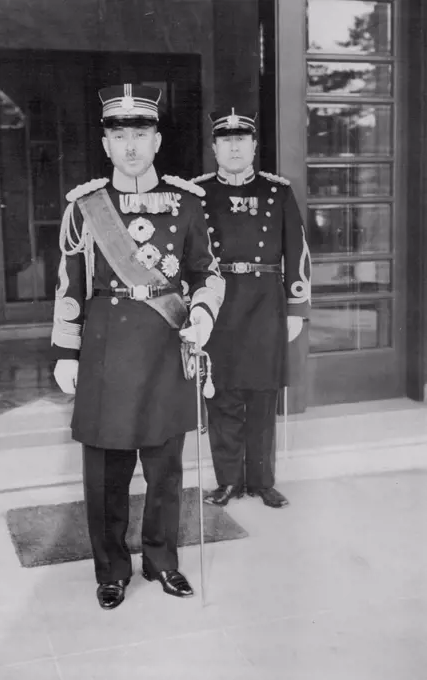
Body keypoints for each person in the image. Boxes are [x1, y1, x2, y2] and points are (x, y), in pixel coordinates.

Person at [51, 84, 224, 611]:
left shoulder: (189, 203)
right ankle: (111, 569)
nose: (130, 146)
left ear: (157, 141)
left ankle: (161, 560)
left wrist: (199, 314)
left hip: (165, 348)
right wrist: (65, 351)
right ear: (106, 145)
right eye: (119, 136)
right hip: (105, 347)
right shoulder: (86, 207)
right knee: (105, 472)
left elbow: (207, 273)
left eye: (140, 135)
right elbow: (69, 283)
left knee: (165, 467)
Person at [192, 108, 311, 509]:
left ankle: (262, 481)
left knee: (262, 394)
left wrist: (297, 306)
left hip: (264, 302)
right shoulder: (198, 193)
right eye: (226, 140)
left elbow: (297, 249)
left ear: (255, 146)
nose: (234, 147)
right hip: (218, 300)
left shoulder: (277, 191)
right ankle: (228, 481)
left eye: (242, 140)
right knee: (221, 392)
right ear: (214, 147)